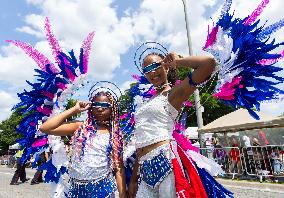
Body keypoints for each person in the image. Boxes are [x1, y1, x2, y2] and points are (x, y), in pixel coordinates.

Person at [128, 52, 232, 198]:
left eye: (156, 65)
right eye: (146, 70)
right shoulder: (147, 101)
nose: (152, 72)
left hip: (166, 160)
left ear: (166, 67)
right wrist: (133, 180)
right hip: (145, 167)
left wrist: (178, 61)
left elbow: (208, 63)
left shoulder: (173, 94)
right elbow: (140, 142)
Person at [39, 91, 126, 198]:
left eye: (105, 105)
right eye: (96, 105)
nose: (100, 108)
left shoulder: (115, 134)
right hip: (76, 189)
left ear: (112, 109)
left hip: (102, 189)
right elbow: (45, 128)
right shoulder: (80, 126)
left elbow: (119, 168)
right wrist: (74, 109)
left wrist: (122, 194)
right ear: (90, 107)